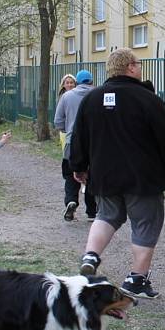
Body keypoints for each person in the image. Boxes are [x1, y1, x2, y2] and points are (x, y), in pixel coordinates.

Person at [70, 49, 165, 299]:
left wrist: (78, 166)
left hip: (104, 175)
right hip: (143, 178)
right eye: (138, 64)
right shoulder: (146, 99)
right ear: (130, 67)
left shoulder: (92, 99)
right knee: (145, 223)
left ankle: (91, 256)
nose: (140, 68)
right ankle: (136, 280)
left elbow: (79, 136)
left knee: (106, 215)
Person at [54, 69, 97, 222]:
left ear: (77, 82)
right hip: (94, 143)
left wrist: (68, 130)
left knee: (70, 174)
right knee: (92, 175)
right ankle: (92, 211)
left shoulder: (66, 96)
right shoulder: (98, 94)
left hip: (72, 142)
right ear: (91, 81)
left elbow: (58, 121)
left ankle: (71, 200)